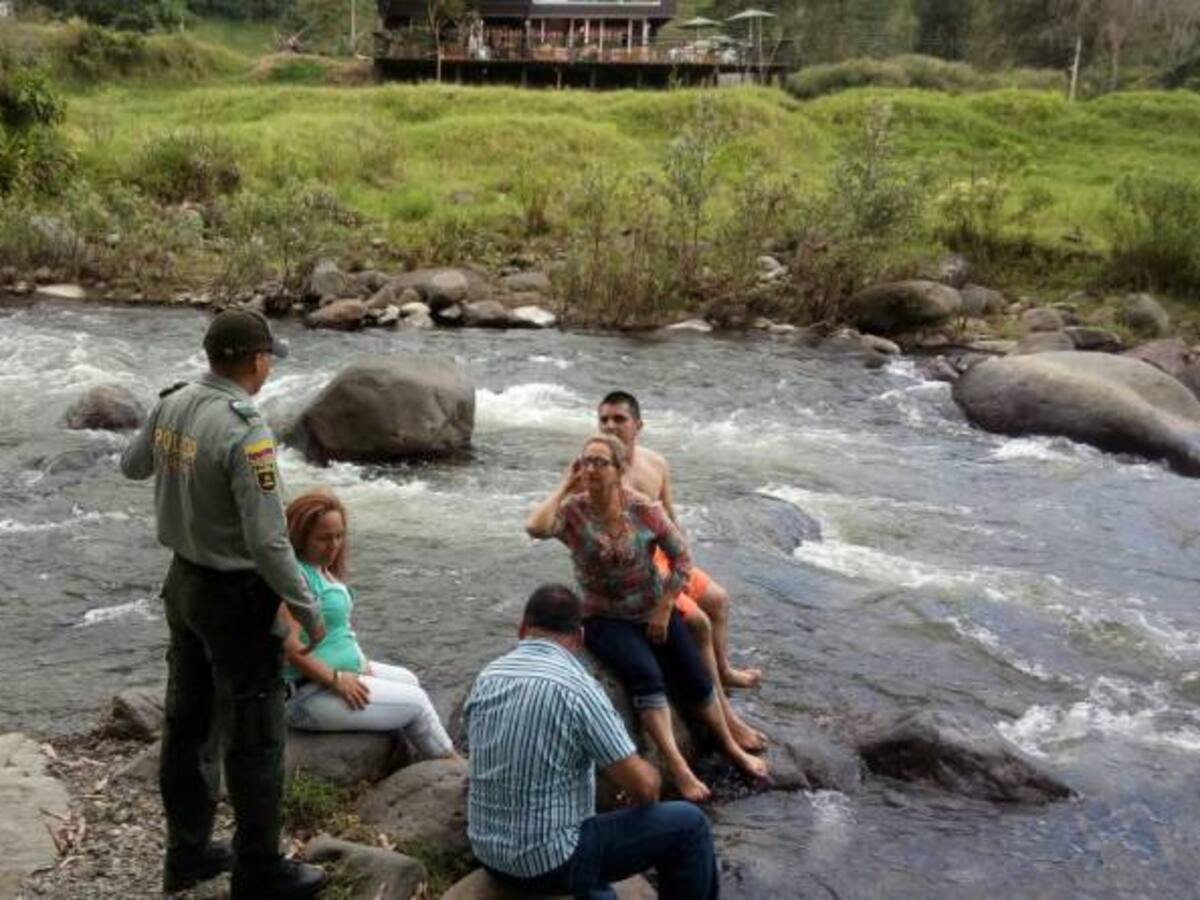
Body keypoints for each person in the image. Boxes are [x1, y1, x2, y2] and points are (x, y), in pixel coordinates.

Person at [120, 308, 327, 900]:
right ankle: (258, 871)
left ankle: (186, 855)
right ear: (254, 360)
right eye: (267, 357)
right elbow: (267, 540)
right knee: (256, 736)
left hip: (183, 585)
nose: (269, 367)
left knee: (187, 725)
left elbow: (131, 466)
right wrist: (307, 606)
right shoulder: (245, 430)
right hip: (234, 599)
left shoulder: (174, 402)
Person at [527, 434, 768, 802]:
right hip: (603, 616)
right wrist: (564, 483)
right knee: (647, 676)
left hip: (651, 608)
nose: (591, 469)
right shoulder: (574, 511)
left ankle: (732, 749)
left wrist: (666, 605)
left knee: (695, 676)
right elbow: (536, 528)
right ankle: (679, 767)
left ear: (620, 469)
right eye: (585, 461)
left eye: (600, 463)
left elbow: (682, 558)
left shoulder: (642, 509)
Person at [465, 583, 719, 899]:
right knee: (689, 825)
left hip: (488, 853)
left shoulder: (487, 677)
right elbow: (644, 787)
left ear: (522, 629)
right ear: (580, 638)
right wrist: (646, 784)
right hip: (549, 863)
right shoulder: (577, 688)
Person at [598, 391, 763, 691]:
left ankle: (723, 670)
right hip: (632, 567)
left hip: (662, 557)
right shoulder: (597, 469)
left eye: (618, 419)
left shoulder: (656, 463)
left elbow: (671, 518)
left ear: (638, 425)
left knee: (719, 600)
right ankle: (713, 696)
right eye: (604, 420)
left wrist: (682, 561)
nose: (610, 426)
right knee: (698, 621)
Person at [278, 488, 456, 760]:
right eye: (323, 538)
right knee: (418, 704)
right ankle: (453, 769)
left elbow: (338, 632)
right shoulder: (295, 578)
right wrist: (337, 679)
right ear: (301, 538)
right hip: (305, 693)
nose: (334, 545)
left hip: (334, 678)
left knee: (410, 680)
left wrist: (359, 665)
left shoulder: (323, 569)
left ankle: (420, 759)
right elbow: (290, 648)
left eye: (339, 536)